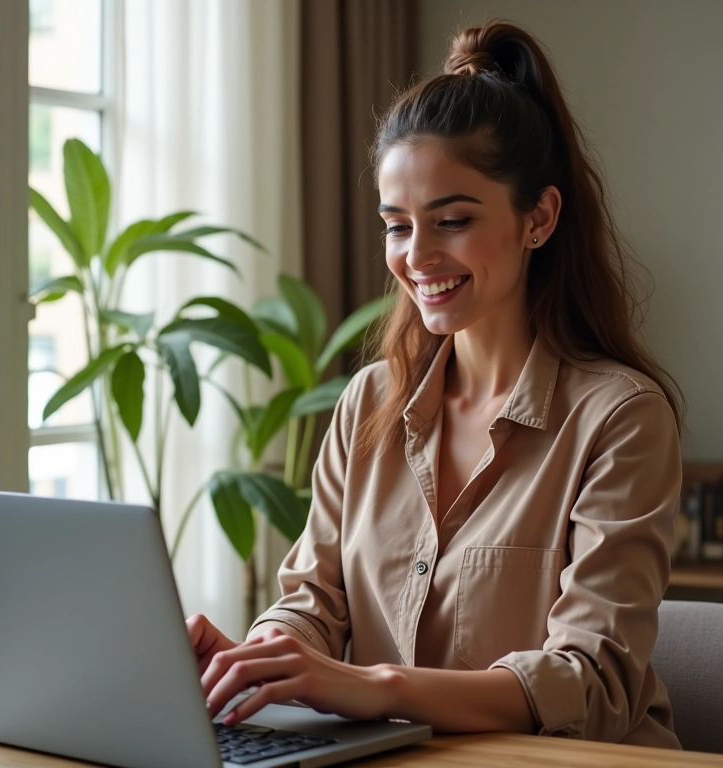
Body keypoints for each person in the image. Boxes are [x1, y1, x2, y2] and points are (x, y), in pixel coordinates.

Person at [186, 20, 684, 748]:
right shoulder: (368, 403)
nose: (417, 257)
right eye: (397, 226)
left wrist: (377, 686)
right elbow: (313, 602)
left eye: (450, 220)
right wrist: (257, 660)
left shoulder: (620, 419)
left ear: (539, 218)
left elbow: (593, 682)